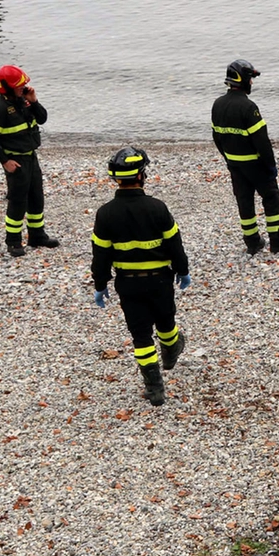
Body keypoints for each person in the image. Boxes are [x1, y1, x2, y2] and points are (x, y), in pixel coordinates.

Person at [91, 148, 191, 407]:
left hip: (128, 283)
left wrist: (100, 284)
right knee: (166, 323)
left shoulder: (105, 214)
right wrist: (183, 270)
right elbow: (175, 244)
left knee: (141, 335)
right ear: (141, 175)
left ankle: (155, 388)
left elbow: (100, 255)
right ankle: (171, 348)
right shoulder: (157, 208)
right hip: (160, 280)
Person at [211, 59, 279, 254]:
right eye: (250, 79)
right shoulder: (248, 107)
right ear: (242, 80)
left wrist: (228, 159)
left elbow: (217, 137)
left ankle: (252, 241)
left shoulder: (217, 105)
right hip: (255, 164)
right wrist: (270, 165)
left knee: (244, 201)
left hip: (235, 164)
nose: (251, 83)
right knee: (271, 198)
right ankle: (278, 239)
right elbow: (262, 141)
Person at [0, 65, 60, 258]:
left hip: (31, 157)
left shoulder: (24, 101)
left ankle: (37, 235)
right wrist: (4, 161)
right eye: (20, 85)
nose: (24, 87)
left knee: (36, 197)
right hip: (15, 161)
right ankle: (13, 241)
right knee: (18, 201)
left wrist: (34, 101)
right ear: (7, 87)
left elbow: (42, 119)